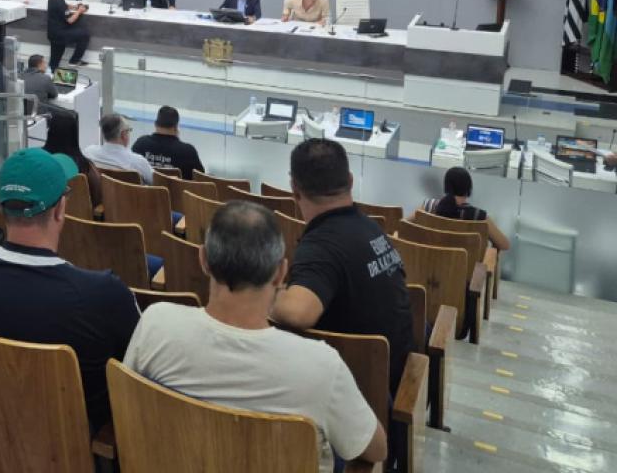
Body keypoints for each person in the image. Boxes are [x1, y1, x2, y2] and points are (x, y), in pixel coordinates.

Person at [124, 201, 386, 472]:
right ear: (281, 273)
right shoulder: (322, 366)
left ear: (203, 260)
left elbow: (128, 407)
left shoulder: (155, 323)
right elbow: (376, 449)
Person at [0, 148, 140, 429]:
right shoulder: (104, 294)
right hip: (76, 447)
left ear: (0, 206)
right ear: (60, 209)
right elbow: (140, 369)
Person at [272, 139, 413, 394]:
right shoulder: (372, 229)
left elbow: (298, 313)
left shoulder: (321, 245)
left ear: (294, 189)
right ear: (350, 181)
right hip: (395, 378)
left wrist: (264, 291)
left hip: (358, 391)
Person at [420, 167, 511, 250]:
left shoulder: (428, 206)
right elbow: (504, 245)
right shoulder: (479, 216)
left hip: (430, 261)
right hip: (466, 263)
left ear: (446, 187)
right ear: (468, 188)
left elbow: (410, 226)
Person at [42, 111, 103, 208]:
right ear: (75, 133)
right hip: (82, 216)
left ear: (49, 131)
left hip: (45, 214)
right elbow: (97, 197)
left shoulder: (38, 161)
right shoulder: (86, 167)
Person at [131, 106, 205, 180]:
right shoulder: (188, 152)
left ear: (155, 124)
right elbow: (201, 180)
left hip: (144, 188)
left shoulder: (140, 144)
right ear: (176, 127)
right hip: (175, 188)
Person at [85, 114, 154, 185]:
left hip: (99, 192)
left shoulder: (89, 153)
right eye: (129, 130)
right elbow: (156, 182)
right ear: (123, 134)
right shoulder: (138, 162)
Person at [47, 0, 90, 70]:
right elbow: (70, 20)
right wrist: (79, 11)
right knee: (84, 34)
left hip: (53, 33)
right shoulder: (59, 2)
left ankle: (51, 73)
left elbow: (64, 5)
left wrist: (75, 7)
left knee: (54, 62)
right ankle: (74, 60)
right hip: (60, 34)